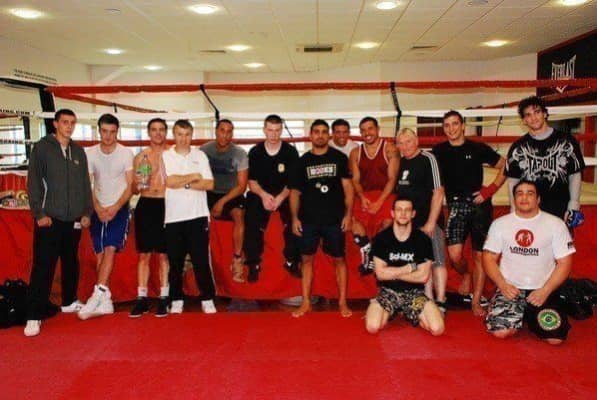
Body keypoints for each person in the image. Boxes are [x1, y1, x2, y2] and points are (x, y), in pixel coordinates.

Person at [24, 109, 93, 336]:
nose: (69, 126)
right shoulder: (42, 148)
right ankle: (34, 315)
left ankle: (69, 301)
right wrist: (39, 213)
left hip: (73, 219)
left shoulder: (78, 151)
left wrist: (86, 211)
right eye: (65, 122)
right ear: (55, 124)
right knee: (43, 266)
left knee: (71, 262)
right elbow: (33, 182)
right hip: (49, 219)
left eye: (72, 122)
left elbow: (85, 184)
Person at [432, 110, 506, 317]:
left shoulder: (477, 148)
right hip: (455, 205)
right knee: (455, 255)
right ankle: (466, 274)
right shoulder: (438, 151)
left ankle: (476, 301)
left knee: (479, 255)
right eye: (447, 125)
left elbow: (506, 164)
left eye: (455, 124)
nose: (451, 129)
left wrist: (489, 190)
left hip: (479, 204)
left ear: (463, 125)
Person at [483, 180, 574, 344]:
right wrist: (502, 285)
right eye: (520, 193)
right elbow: (488, 258)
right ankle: (516, 311)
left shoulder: (556, 224)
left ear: (538, 199)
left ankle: (529, 315)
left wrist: (545, 290)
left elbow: (565, 262)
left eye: (530, 193)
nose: (524, 198)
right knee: (500, 332)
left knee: (555, 338)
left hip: (542, 289)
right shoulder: (500, 224)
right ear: (514, 199)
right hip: (511, 289)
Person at [289, 119, 353, 318]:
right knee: (306, 259)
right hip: (308, 219)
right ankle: (306, 302)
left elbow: (348, 188)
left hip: (334, 219)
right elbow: (294, 192)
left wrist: (348, 215)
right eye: (316, 131)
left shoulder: (339, 158)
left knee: (339, 259)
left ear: (329, 135)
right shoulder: (302, 162)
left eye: (324, 132)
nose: (320, 135)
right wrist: (294, 218)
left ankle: (342, 301)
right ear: (311, 135)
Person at [78, 114, 134, 320]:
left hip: (119, 208)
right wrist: (97, 207)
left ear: (117, 132)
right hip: (98, 207)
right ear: (99, 131)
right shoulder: (90, 153)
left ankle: (96, 295)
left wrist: (115, 207)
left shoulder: (125, 153)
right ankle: (106, 301)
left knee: (110, 247)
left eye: (112, 132)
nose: (108, 136)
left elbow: (131, 185)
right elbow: (87, 184)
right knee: (100, 253)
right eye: (104, 131)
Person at [365, 196, 445, 336]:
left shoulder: (423, 240)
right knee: (372, 327)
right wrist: (408, 268)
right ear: (393, 213)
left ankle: (411, 314)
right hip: (388, 292)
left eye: (407, 210)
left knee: (437, 329)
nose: (403, 213)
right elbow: (380, 274)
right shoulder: (381, 239)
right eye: (399, 210)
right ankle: (393, 311)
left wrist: (392, 273)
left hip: (414, 294)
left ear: (413, 214)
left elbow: (423, 277)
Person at [162, 119, 217, 314]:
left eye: (187, 135)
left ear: (191, 135)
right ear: (174, 135)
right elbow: (169, 181)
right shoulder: (166, 156)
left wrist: (183, 183)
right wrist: (193, 177)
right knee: (175, 262)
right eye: (179, 134)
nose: (183, 139)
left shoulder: (200, 155)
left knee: (200, 260)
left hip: (198, 215)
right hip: (174, 217)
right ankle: (176, 299)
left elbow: (209, 184)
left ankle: (207, 298)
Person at [506, 95, 585, 224]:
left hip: (560, 208)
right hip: (529, 211)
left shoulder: (566, 141)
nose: (533, 118)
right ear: (524, 120)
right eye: (528, 115)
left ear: (545, 114)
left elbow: (575, 174)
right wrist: (514, 209)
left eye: (537, 112)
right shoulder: (518, 147)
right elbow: (513, 181)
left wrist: (573, 205)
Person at [243, 114, 301, 282]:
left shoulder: (290, 152)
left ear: (281, 130)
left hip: (284, 193)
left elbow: (293, 183)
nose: (274, 134)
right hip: (261, 193)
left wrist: (281, 198)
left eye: (277, 130)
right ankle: (253, 263)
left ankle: (292, 260)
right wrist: (264, 196)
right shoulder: (255, 152)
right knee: (251, 217)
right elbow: (251, 182)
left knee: (296, 217)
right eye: (270, 130)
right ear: (264, 130)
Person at [395, 128, 447, 312]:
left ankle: (441, 301)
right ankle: (428, 300)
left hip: (429, 221)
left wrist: (431, 222)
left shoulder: (428, 159)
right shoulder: (401, 162)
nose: (405, 146)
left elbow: (438, 191)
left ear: (416, 140)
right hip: (410, 224)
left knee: (437, 261)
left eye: (408, 141)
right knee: (421, 263)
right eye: (401, 143)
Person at [129, 118, 171, 318]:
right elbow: (134, 189)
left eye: (161, 129)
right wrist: (139, 182)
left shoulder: (172, 155)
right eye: (154, 129)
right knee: (144, 254)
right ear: (148, 132)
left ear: (166, 132)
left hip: (166, 204)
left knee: (164, 254)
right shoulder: (141, 157)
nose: (158, 133)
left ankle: (164, 297)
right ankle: (142, 298)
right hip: (146, 204)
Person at [349, 116, 399, 275]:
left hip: (385, 193)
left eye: (370, 128)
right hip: (365, 194)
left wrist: (379, 202)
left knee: (388, 222)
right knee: (352, 221)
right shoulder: (355, 153)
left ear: (378, 129)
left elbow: (392, 179)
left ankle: (375, 253)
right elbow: (355, 180)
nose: (367, 133)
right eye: (363, 130)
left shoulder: (390, 149)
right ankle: (367, 248)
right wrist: (362, 197)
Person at [201, 119, 248, 283]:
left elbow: (242, 186)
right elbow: (198, 178)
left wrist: (221, 202)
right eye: (222, 130)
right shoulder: (204, 150)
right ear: (216, 131)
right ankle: (195, 260)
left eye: (229, 132)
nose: (225, 135)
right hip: (209, 191)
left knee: (239, 215)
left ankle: (237, 259)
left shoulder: (239, 153)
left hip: (231, 193)